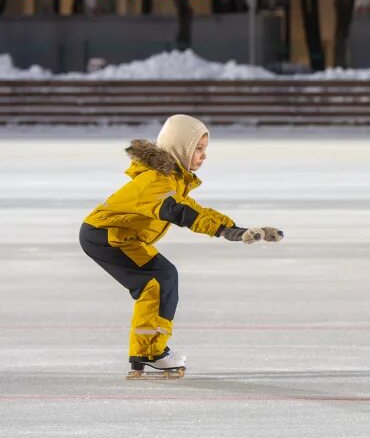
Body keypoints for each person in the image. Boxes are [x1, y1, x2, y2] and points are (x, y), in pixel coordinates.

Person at [80, 114, 283, 378]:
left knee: (159, 280)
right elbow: (178, 212)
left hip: (116, 236)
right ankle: (150, 353)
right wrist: (224, 230)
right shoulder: (157, 181)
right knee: (158, 280)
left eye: (204, 149)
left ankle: (147, 353)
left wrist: (233, 229)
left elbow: (193, 209)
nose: (203, 155)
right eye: (198, 149)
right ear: (180, 148)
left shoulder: (170, 178)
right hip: (106, 236)